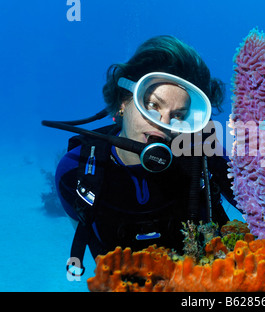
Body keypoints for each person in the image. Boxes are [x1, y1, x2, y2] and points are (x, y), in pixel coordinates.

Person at [54, 35, 237, 274]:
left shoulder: (204, 155)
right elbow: (85, 230)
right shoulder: (75, 171)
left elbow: (263, 205)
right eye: (152, 105)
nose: (163, 124)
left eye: (179, 115)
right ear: (123, 101)